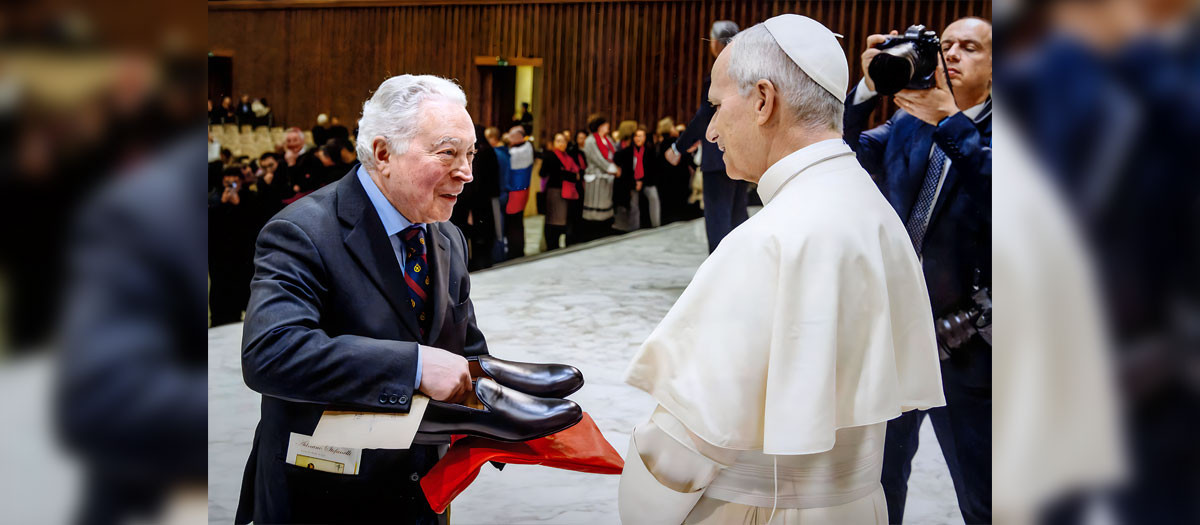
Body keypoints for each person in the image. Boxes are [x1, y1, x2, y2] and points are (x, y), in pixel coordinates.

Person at [618, 15, 946, 524]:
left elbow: (680, 453)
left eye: (716, 104)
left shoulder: (769, 239)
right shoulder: (873, 209)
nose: (711, 129)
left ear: (763, 101)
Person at [235, 74, 488, 524]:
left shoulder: (447, 237)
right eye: (448, 152)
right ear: (384, 153)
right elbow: (271, 353)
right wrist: (415, 365)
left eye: (470, 154)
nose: (466, 171)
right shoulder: (302, 231)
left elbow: (464, 348)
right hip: (322, 496)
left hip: (421, 495)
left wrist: (510, 401)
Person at [843, 17, 993, 524]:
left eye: (969, 47)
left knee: (984, 496)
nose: (950, 54)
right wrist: (866, 87)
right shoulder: (905, 123)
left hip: (969, 344)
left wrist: (952, 120)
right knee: (879, 486)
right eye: (943, 45)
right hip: (897, 338)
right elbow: (841, 152)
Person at [665, 20, 750, 253]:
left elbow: (704, 116)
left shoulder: (720, 73)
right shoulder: (746, 73)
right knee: (737, 217)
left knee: (718, 221)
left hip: (716, 156)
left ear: (714, 43)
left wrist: (677, 148)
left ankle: (719, 279)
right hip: (741, 153)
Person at [539, 132, 581, 250]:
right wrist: (567, 174)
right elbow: (543, 173)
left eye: (563, 141)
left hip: (568, 193)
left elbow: (577, 175)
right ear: (553, 143)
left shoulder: (568, 157)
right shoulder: (550, 156)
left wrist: (565, 174)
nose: (561, 143)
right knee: (553, 221)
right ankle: (551, 246)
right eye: (558, 141)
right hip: (555, 192)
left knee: (563, 221)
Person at [581, 114, 618, 242]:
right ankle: (593, 233)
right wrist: (612, 169)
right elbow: (597, 158)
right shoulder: (590, 141)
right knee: (595, 205)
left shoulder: (608, 139)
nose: (608, 127)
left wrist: (614, 167)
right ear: (599, 126)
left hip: (607, 178)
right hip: (596, 177)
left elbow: (613, 154)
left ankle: (604, 230)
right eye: (605, 124)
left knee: (605, 207)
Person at [500, 125, 533, 259]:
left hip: (515, 191)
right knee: (517, 222)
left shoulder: (519, 152)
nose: (509, 138)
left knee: (513, 223)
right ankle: (517, 249)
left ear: (520, 137)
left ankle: (515, 252)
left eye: (512, 136)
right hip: (522, 190)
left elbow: (507, 160)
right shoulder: (528, 146)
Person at [612, 126, 651, 232]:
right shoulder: (627, 152)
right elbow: (619, 161)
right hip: (629, 182)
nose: (639, 139)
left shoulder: (648, 151)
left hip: (644, 182)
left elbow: (650, 168)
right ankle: (632, 229)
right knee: (632, 206)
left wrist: (641, 181)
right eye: (637, 136)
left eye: (641, 136)